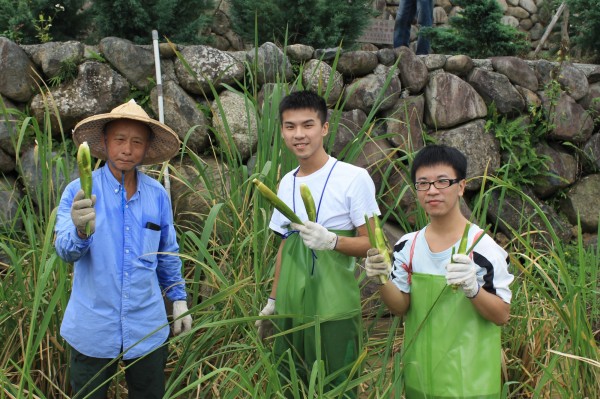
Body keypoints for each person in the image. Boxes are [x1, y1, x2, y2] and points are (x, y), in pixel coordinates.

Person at [55, 99, 192, 399]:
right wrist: (79, 228)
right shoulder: (78, 191)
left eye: (136, 142)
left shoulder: (157, 195)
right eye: (119, 139)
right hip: (92, 327)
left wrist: (178, 299)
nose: (127, 149)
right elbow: (65, 251)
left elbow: (167, 253)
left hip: (146, 327)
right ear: (104, 142)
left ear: (145, 149)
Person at [255, 90, 380, 397]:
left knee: (338, 385)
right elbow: (287, 244)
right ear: (282, 131)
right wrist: (273, 301)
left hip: (334, 306)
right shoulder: (287, 182)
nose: (299, 134)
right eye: (290, 126)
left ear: (324, 128)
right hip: (290, 306)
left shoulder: (354, 178)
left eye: (308, 125)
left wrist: (333, 240)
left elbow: (374, 244)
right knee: (290, 385)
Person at [365, 144, 514, 398]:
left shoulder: (484, 248)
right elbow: (401, 306)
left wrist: (473, 289)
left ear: (461, 187)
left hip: (473, 384)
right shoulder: (408, 246)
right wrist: (381, 279)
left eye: (442, 181)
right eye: (423, 183)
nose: (432, 191)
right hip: (420, 379)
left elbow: (502, 315)